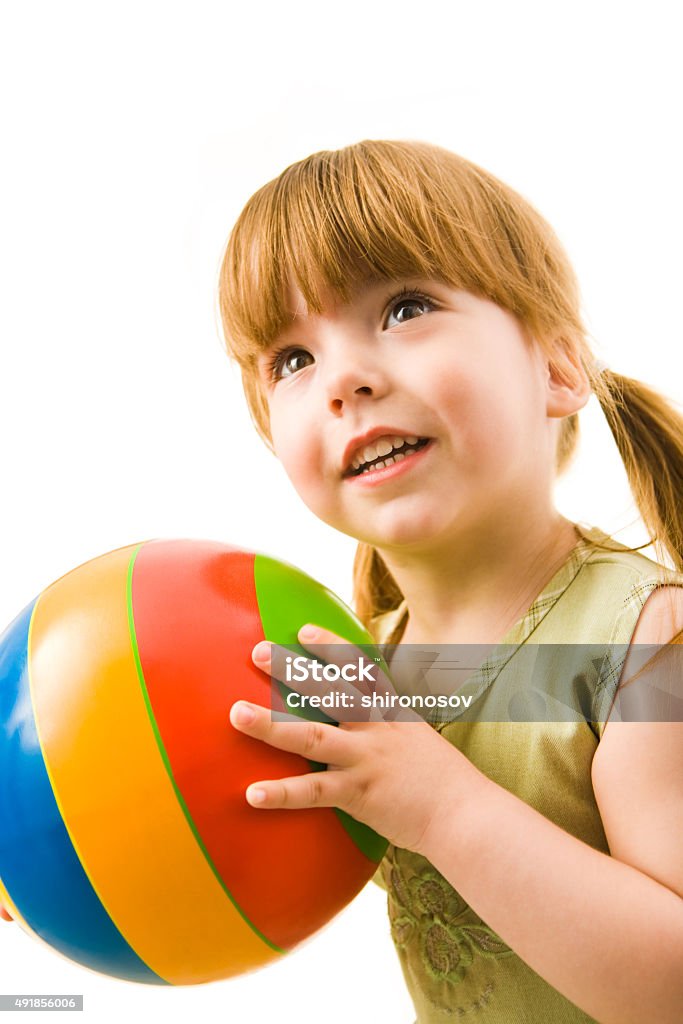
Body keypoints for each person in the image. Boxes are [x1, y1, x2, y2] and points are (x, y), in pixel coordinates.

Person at [217, 139, 683, 1024]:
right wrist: (62, 854)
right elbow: (226, 848)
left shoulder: (645, 644)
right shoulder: (358, 672)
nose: (344, 380)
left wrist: (442, 807)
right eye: (290, 359)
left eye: (404, 306)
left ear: (556, 366)